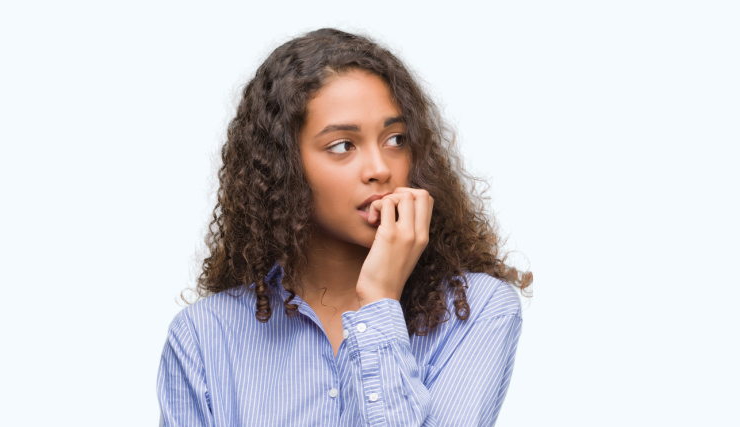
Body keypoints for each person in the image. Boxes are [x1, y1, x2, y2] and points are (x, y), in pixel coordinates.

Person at [156, 28, 533, 427]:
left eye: (396, 139)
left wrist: (380, 300)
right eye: (342, 146)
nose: (380, 169)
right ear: (283, 168)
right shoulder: (202, 337)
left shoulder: (477, 311)